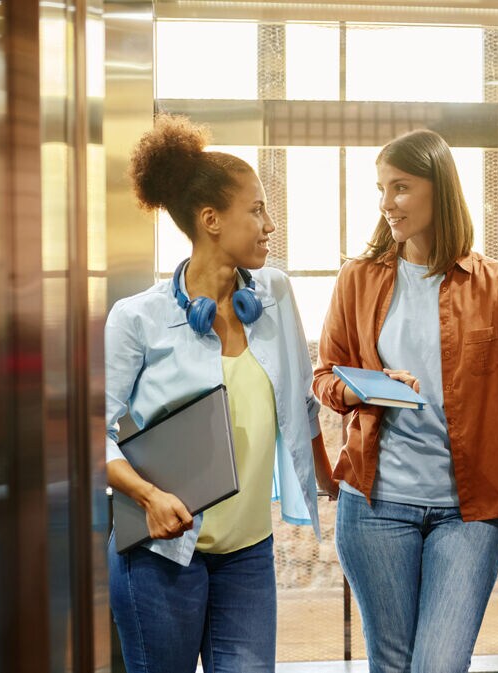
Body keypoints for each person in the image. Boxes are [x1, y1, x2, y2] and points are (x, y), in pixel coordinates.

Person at [312, 129, 498, 673]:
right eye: (381, 189)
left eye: (401, 187)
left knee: (439, 664)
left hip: (468, 513)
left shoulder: (497, 285)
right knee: (392, 665)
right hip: (374, 507)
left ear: (439, 189)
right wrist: (367, 386)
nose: (387, 203)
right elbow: (325, 377)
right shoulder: (358, 279)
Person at [105, 114, 337, 673]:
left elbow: (301, 403)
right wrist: (148, 497)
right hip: (161, 558)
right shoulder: (137, 318)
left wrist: (332, 479)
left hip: (248, 554)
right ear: (211, 220)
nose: (269, 225)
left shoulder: (275, 294)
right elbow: (98, 432)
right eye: (256, 209)